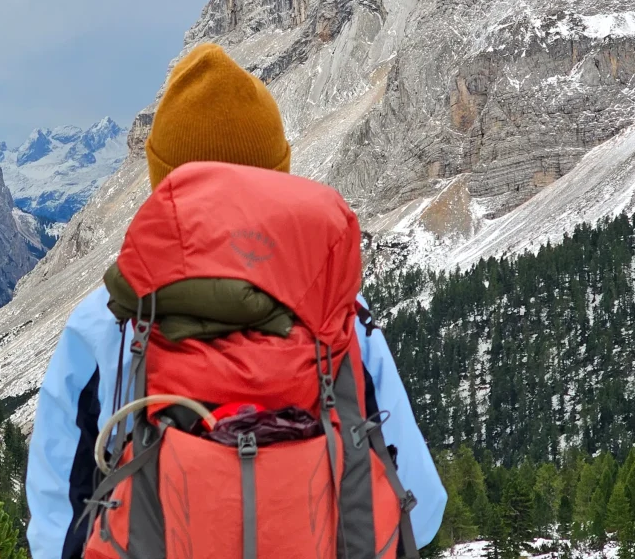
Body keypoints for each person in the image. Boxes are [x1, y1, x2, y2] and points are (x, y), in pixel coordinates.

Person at [24, 43, 447, 559]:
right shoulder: (338, 315)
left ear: (160, 182)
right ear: (279, 177)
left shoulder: (109, 318)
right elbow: (420, 509)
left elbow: (56, 527)